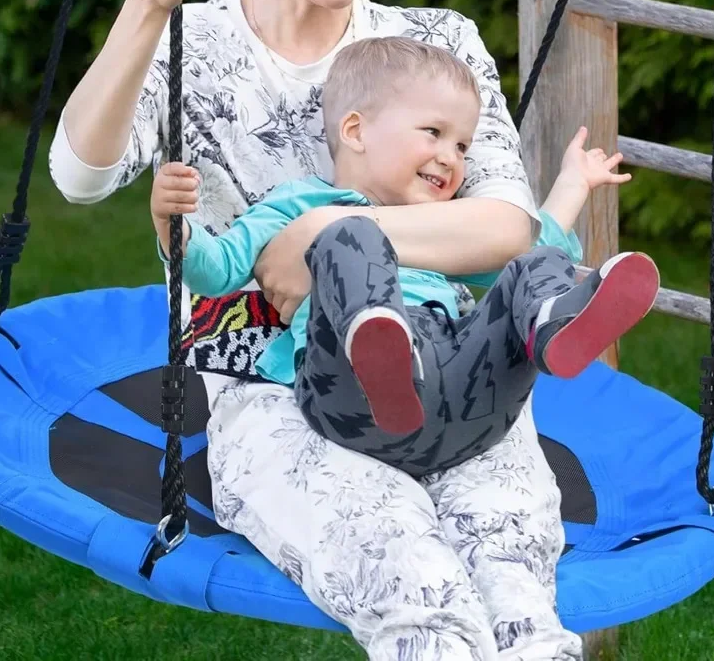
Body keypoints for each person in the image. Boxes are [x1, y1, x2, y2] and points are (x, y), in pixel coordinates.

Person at [50, 0, 590, 660]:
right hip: (272, 396)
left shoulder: (436, 46)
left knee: (519, 596)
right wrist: (149, 4)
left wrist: (324, 236)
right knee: (417, 592)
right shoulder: (195, 48)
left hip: (449, 373)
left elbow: (504, 225)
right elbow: (78, 174)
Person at [151, 36, 659, 473]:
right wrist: (174, 225)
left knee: (530, 260)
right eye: (434, 133)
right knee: (351, 237)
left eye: (462, 146)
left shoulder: (445, 227)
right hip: (347, 397)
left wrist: (573, 183)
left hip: (467, 402)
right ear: (356, 132)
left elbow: (535, 239)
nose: (451, 157)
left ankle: (552, 329)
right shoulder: (302, 207)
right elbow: (215, 270)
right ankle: (377, 344)